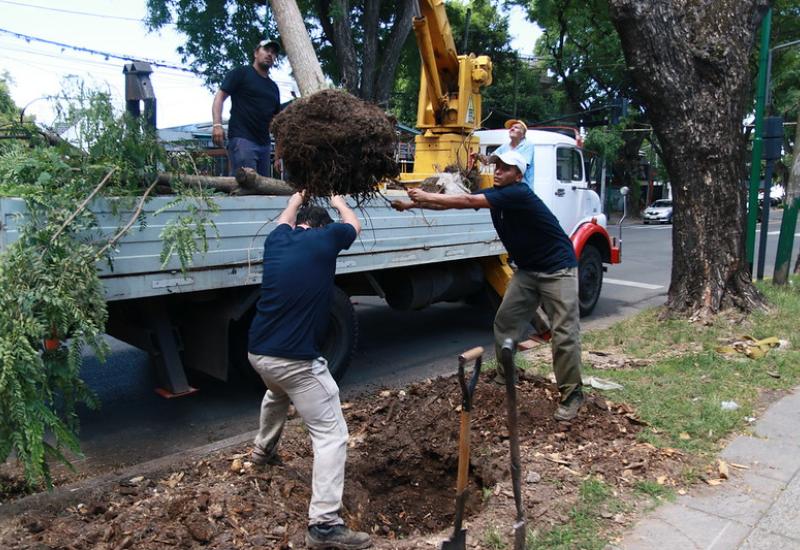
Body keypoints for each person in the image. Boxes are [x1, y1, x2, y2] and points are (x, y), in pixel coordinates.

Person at [391, 150, 584, 421]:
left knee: (564, 333)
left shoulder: (518, 193)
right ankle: (506, 376)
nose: (498, 171)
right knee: (506, 323)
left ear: (518, 175)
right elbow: (455, 204)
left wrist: (426, 195)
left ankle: (572, 395)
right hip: (527, 270)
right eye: (497, 166)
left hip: (557, 269)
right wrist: (411, 205)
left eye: (506, 168)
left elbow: (467, 199)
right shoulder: (496, 195)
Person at [247, 192, 372, 549]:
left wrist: (296, 198)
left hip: (258, 352)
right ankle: (324, 525)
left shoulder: (276, 240)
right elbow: (354, 225)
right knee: (332, 434)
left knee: (277, 391)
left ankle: (262, 452)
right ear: (320, 227)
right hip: (295, 360)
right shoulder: (326, 238)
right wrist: (340, 201)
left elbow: (284, 219)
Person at [212, 39, 282, 177]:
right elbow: (219, 97)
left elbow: (277, 122)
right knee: (246, 183)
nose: (270, 54)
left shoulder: (273, 88)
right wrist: (217, 125)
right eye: (266, 50)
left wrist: (278, 154)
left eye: (273, 53)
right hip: (242, 139)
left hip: (265, 145)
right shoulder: (241, 73)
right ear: (256, 53)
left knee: (264, 186)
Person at [493, 119, 535, 189]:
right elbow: (491, 158)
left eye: (516, 127)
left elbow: (521, 166)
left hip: (522, 187)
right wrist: (479, 157)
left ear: (523, 134)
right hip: (506, 187)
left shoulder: (528, 145)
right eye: (511, 127)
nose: (512, 129)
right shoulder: (505, 146)